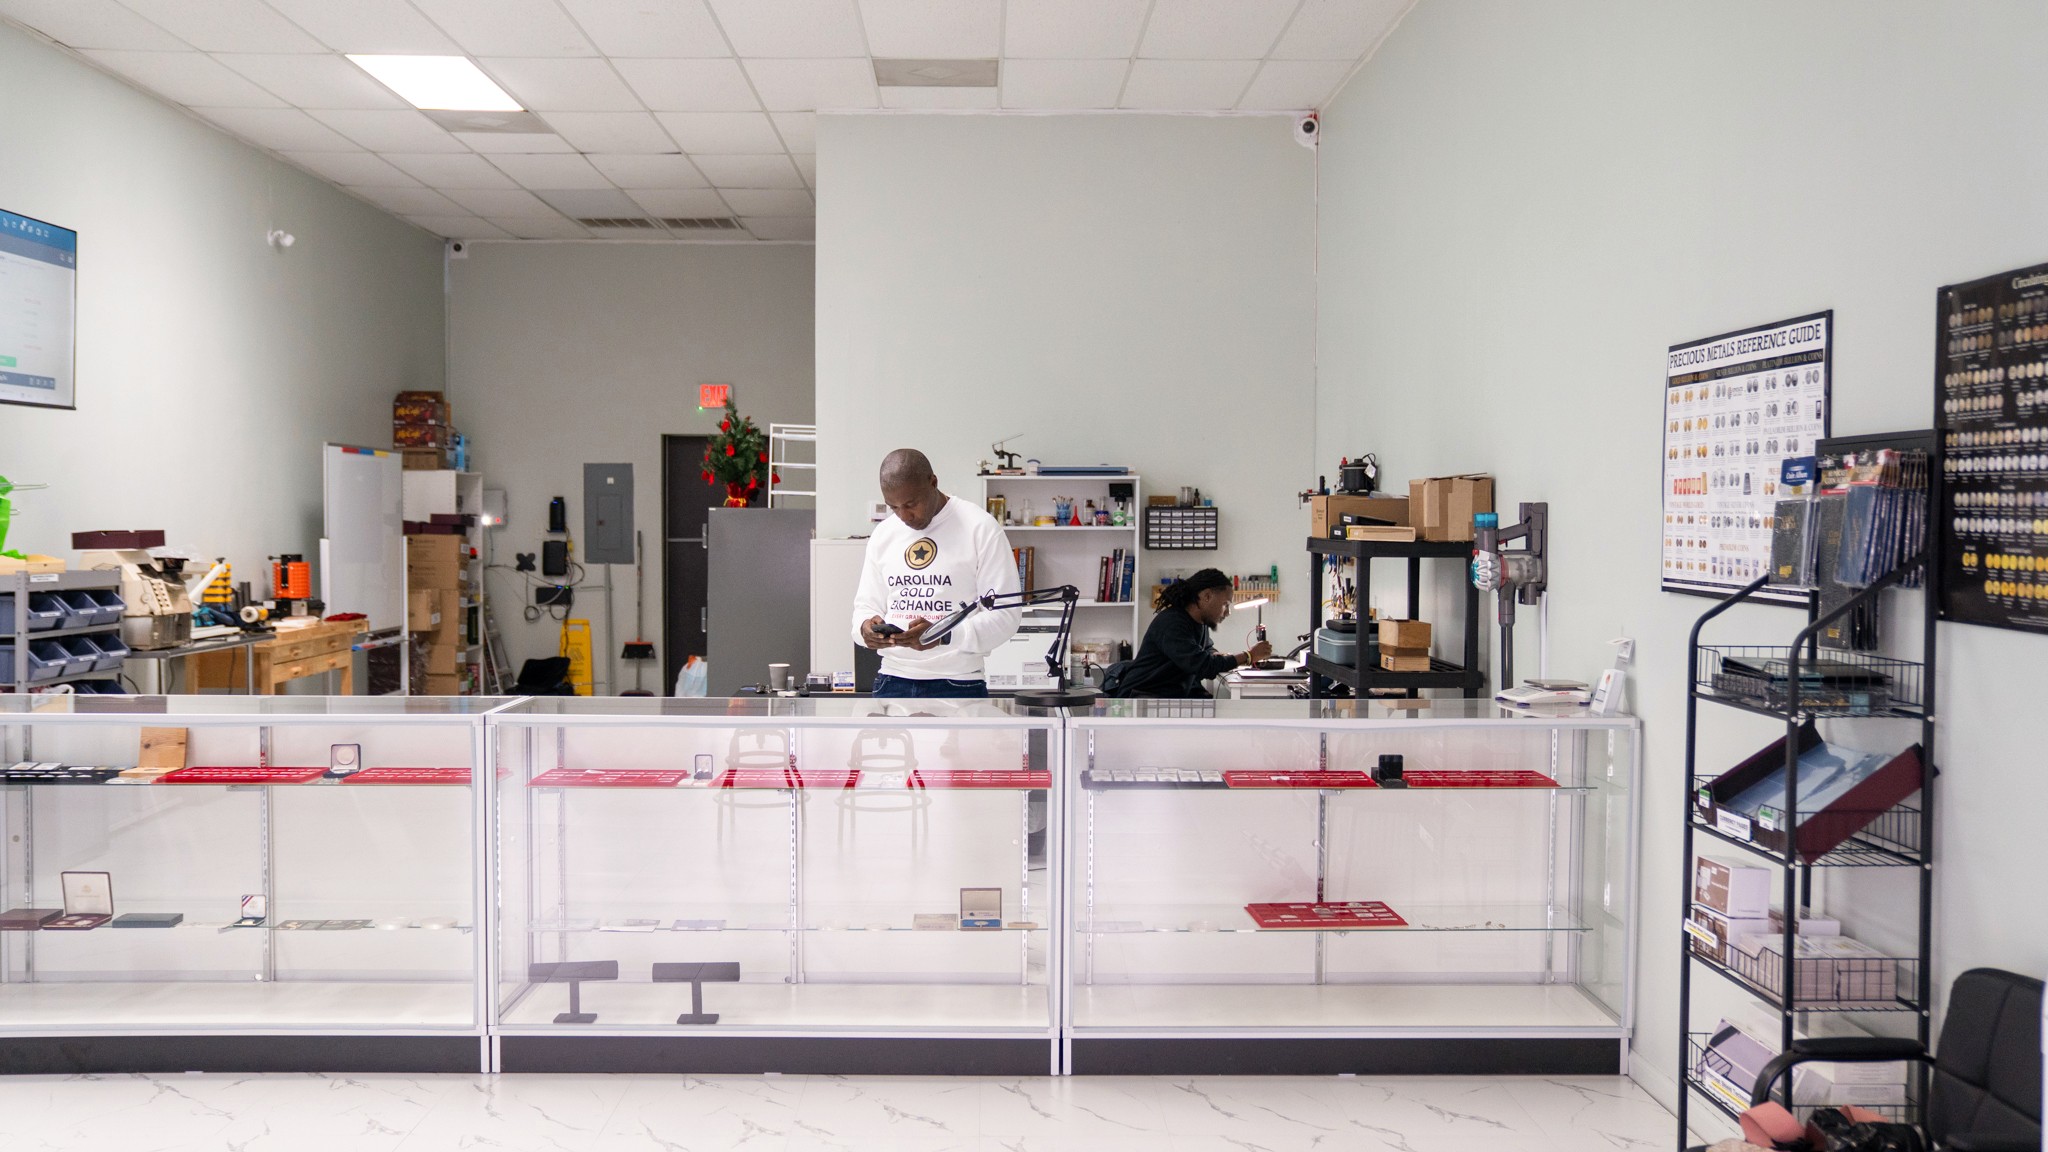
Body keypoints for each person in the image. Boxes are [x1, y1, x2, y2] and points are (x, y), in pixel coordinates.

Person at [852, 449, 1020, 698]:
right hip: (891, 681)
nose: (904, 516)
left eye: (911, 504)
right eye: (894, 507)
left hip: (958, 683)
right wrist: (864, 629)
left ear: (933, 482)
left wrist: (944, 636)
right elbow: (865, 607)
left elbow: (1006, 616)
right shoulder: (884, 534)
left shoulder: (980, 527)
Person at [1107, 568, 1271, 698]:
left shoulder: (1199, 622)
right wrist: (1248, 656)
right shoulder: (1173, 623)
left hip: (1166, 695)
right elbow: (1202, 666)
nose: (1227, 612)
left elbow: (1206, 650)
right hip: (1142, 698)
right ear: (1207, 596)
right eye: (1225, 604)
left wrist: (1218, 655)